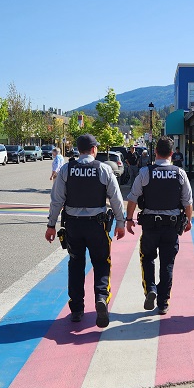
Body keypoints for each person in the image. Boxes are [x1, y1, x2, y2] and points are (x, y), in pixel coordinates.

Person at [45, 134, 126, 328]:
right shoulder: (104, 169)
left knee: (75, 264)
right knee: (101, 263)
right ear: (94, 149)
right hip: (97, 225)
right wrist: (121, 222)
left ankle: (76, 309)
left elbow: (57, 200)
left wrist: (51, 225)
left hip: (73, 225)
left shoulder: (67, 169)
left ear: (78, 149)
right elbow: (115, 198)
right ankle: (101, 297)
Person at [125, 137, 193, 315]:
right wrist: (189, 220)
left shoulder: (146, 172)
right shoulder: (179, 173)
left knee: (147, 258)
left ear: (155, 152)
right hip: (171, 226)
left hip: (150, 224)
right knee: (167, 263)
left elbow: (132, 197)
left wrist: (129, 219)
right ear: (172, 153)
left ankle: (151, 290)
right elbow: (188, 202)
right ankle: (163, 303)